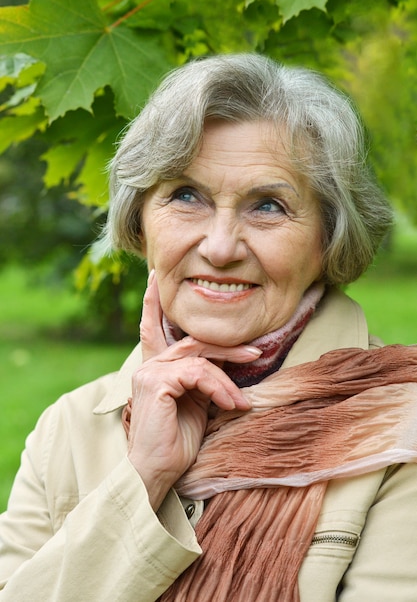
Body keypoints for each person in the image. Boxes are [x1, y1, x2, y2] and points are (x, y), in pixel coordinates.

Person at [1, 53, 417, 602]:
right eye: (186, 196)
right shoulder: (71, 427)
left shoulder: (400, 432)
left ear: (329, 240)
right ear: (140, 222)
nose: (220, 247)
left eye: (267, 205)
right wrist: (144, 478)